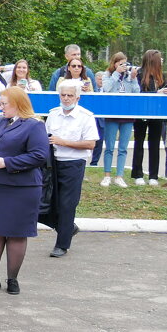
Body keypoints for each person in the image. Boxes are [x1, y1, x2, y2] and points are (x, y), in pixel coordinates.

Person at [0, 87, 49, 295]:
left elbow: (40, 155)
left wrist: (8, 162)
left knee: (16, 233)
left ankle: (12, 279)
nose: (1, 107)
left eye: (4, 103)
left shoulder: (34, 125)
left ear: (18, 103)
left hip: (21, 188)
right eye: (0, 103)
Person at [46, 81, 98, 258]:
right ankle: (68, 228)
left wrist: (64, 142)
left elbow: (91, 143)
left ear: (77, 97)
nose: (66, 99)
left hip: (74, 163)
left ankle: (62, 245)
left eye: (70, 95)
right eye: (63, 95)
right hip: (53, 163)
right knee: (46, 203)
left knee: (67, 205)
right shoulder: (53, 114)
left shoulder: (86, 116)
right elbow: (46, 138)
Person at [100, 53, 139, 188]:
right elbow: (107, 88)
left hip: (127, 114)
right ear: (114, 63)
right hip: (112, 113)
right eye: (120, 63)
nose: (123, 66)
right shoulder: (108, 75)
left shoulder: (129, 76)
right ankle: (107, 176)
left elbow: (136, 93)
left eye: (125, 63)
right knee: (109, 147)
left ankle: (119, 176)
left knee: (123, 148)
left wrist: (133, 78)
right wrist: (116, 73)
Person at [131, 49, 167, 186]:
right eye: (159, 59)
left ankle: (153, 175)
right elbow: (138, 93)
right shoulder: (139, 74)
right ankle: (138, 174)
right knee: (139, 141)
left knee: (154, 143)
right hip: (142, 112)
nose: (162, 61)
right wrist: (157, 92)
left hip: (157, 114)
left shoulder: (162, 76)